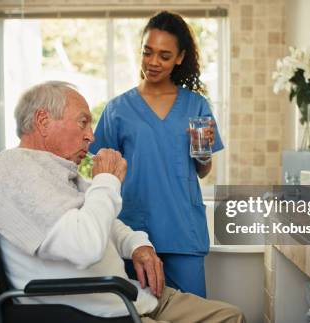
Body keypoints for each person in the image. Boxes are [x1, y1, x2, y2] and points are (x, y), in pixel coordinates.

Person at [0, 81, 244, 322]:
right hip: (104, 312)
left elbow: (107, 223)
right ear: (43, 122)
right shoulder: (19, 172)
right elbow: (85, 245)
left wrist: (138, 244)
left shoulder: (55, 171)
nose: (91, 135)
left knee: (232, 316)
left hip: (132, 296)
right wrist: (107, 181)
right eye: (82, 122)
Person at [90, 11, 223, 297]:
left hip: (182, 230)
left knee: (193, 314)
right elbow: (101, 171)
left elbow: (202, 170)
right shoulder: (117, 109)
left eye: (164, 55)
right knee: (136, 313)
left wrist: (203, 151)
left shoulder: (196, 105)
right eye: (147, 52)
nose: (153, 62)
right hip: (134, 234)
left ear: (179, 57)